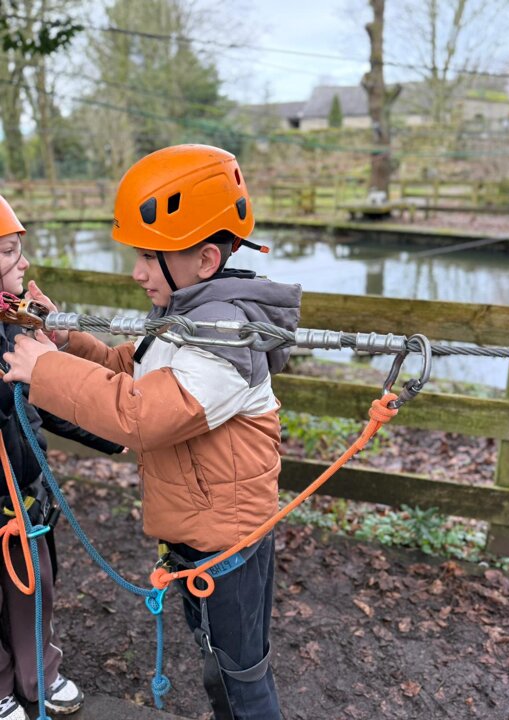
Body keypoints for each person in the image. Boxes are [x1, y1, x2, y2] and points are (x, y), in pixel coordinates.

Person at [3, 145, 302, 720]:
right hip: (202, 534)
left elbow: (142, 415)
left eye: (147, 256)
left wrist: (45, 370)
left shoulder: (225, 337)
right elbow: (130, 371)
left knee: (240, 676)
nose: (137, 272)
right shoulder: (193, 313)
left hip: (226, 545)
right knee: (220, 661)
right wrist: (66, 344)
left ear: (206, 259)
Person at [0, 195, 125, 720]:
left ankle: (39, 674)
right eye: (8, 252)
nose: (24, 263)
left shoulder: (14, 328)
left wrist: (113, 434)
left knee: (36, 588)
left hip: (24, 498)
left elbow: (46, 400)